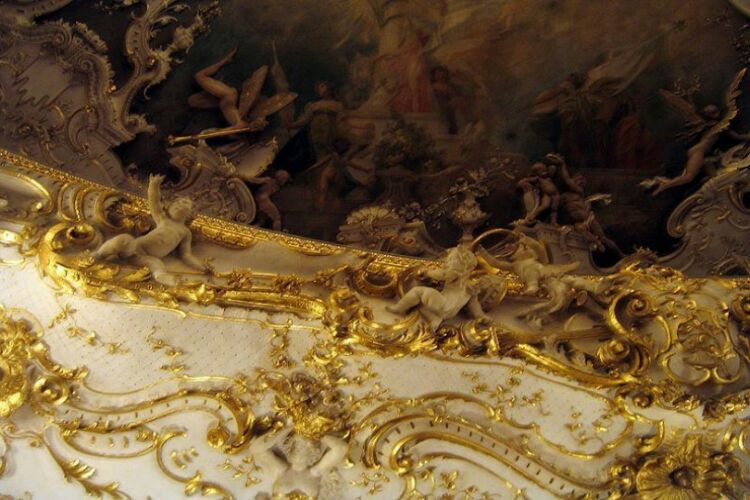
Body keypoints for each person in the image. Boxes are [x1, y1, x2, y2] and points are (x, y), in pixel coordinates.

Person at [93, 174, 208, 283]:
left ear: (190, 214)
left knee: (157, 264)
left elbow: (186, 255)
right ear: (169, 207)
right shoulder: (163, 219)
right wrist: (153, 186)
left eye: (184, 204)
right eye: (177, 204)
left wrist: (202, 267)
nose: (178, 205)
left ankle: (164, 278)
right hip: (135, 248)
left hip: (147, 257)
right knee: (125, 239)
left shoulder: (185, 233)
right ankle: (99, 255)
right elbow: (154, 202)